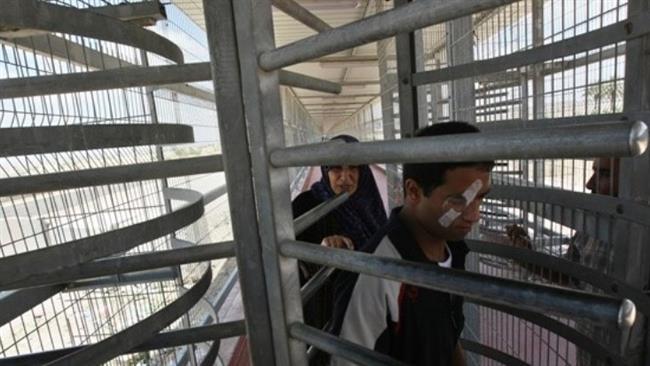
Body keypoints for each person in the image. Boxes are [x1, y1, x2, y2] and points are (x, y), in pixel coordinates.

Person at [330, 122, 494, 366]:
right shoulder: (374, 277)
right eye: (459, 201)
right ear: (414, 191)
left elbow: (445, 336)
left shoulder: (452, 249)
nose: (474, 215)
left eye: (480, 197)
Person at [506, 157, 620, 365]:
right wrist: (529, 257)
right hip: (590, 351)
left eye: (604, 174)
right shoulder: (593, 226)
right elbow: (571, 275)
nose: (589, 184)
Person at [291, 134, 387, 365]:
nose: (346, 178)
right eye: (336, 169)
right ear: (325, 170)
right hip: (324, 315)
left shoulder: (370, 203)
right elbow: (286, 265)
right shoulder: (304, 206)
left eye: (353, 167)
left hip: (368, 309)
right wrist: (317, 251)